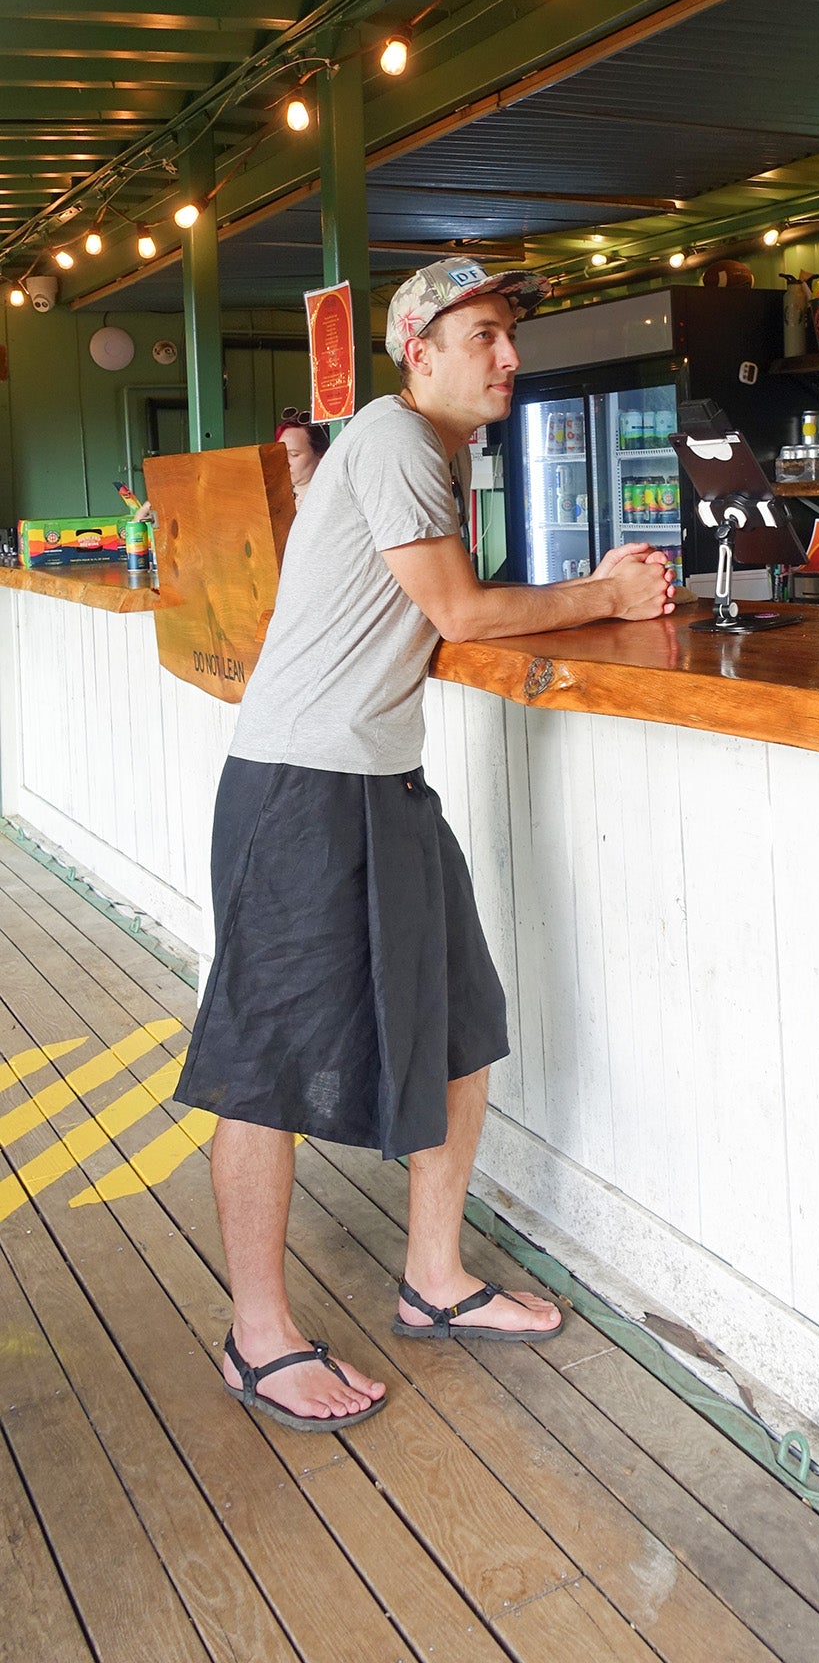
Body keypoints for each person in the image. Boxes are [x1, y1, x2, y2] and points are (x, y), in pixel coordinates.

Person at [175, 258, 674, 1432]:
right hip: (301, 787)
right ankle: (257, 1339)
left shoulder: (423, 452)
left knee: (457, 1023)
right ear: (421, 354)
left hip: (380, 781)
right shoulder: (399, 439)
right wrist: (600, 594)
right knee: (265, 1064)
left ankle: (435, 1279)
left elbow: (426, 600)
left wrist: (575, 596)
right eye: (485, 335)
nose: (509, 356)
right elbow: (456, 611)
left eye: (509, 336)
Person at [274, 409, 330, 506]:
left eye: (294, 454)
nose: (285, 462)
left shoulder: (328, 501)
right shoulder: (276, 500)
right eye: (281, 454)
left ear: (321, 455)